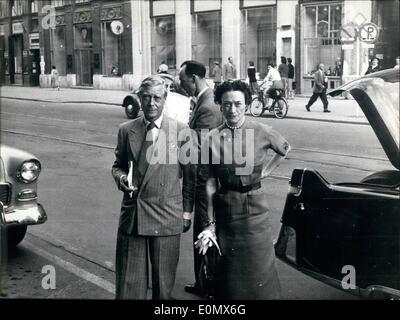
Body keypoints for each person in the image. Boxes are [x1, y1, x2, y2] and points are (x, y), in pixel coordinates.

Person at [195, 80, 290, 299]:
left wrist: (265, 171)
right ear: (220, 105)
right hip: (226, 208)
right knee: (230, 272)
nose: (232, 109)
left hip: (255, 210)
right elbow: (210, 183)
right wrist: (210, 223)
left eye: (238, 104)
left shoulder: (262, 130)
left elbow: (285, 148)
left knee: (260, 268)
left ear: (246, 105)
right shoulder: (211, 138)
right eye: (226, 104)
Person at [112, 75, 195, 300]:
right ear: (139, 98)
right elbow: (117, 166)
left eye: (157, 98)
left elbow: (190, 177)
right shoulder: (125, 129)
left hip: (167, 216)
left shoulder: (181, 131)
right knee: (129, 288)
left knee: (163, 289)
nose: (151, 103)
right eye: (146, 97)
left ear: (165, 98)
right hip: (133, 217)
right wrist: (121, 180)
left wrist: (186, 213)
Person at [179, 60, 223, 297]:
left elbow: (201, 155)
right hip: (208, 185)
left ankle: (207, 287)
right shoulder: (205, 100)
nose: (181, 85)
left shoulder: (206, 107)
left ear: (194, 79)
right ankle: (206, 284)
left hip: (205, 186)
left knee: (204, 234)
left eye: (183, 80)